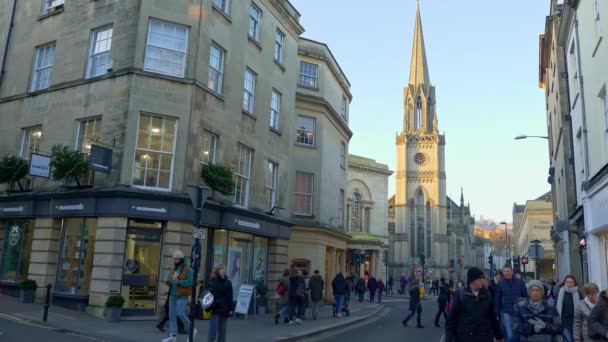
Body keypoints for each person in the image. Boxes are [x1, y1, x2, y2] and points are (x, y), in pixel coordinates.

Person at [445, 267, 503, 342]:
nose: (483, 281)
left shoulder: (487, 295)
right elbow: (451, 319)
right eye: (480, 278)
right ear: (472, 280)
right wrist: (449, 339)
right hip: (465, 337)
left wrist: (498, 336)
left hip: (484, 337)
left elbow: (493, 317)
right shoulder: (461, 295)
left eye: (483, 278)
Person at [162, 250, 195, 342]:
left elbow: (190, 282)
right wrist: (168, 281)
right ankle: (172, 336)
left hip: (182, 295)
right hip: (172, 294)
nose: (174, 261)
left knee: (180, 313)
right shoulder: (174, 268)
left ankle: (191, 330)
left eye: (176, 259)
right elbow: (170, 278)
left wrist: (179, 282)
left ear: (181, 259)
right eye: (174, 259)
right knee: (172, 315)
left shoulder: (188, 269)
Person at [495, 265, 528, 342]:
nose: (506, 273)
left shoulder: (520, 282)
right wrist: (497, 312)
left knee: (519, 333)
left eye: (508, 271)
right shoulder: (500, 284)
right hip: (506, 312)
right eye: (505, 271)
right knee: (509, 335)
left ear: (512, 271)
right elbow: (497, 299)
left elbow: (525, 296)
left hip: (519, 312)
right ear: (503, 272)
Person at [207, 264, 233, 342]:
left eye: (224, 269)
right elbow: (210, 293)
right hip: (215, 309)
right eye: (221, 270)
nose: (223, 271)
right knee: (213, 332)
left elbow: (230, 296)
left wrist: (231, 308)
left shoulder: (228, 282)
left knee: (222, 332)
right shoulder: (213, 281)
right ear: (217, 271)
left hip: (224, 309)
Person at [557, 275, 583, 342]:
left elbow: (582, 306)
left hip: (576, 322)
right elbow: (556, 306)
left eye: (571, 282)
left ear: (574, 283)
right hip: (564, 321)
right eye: (567, 282)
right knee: (567, 339)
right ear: (564, 282)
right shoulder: (560, 292)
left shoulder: (578, 292)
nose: (569, 284)